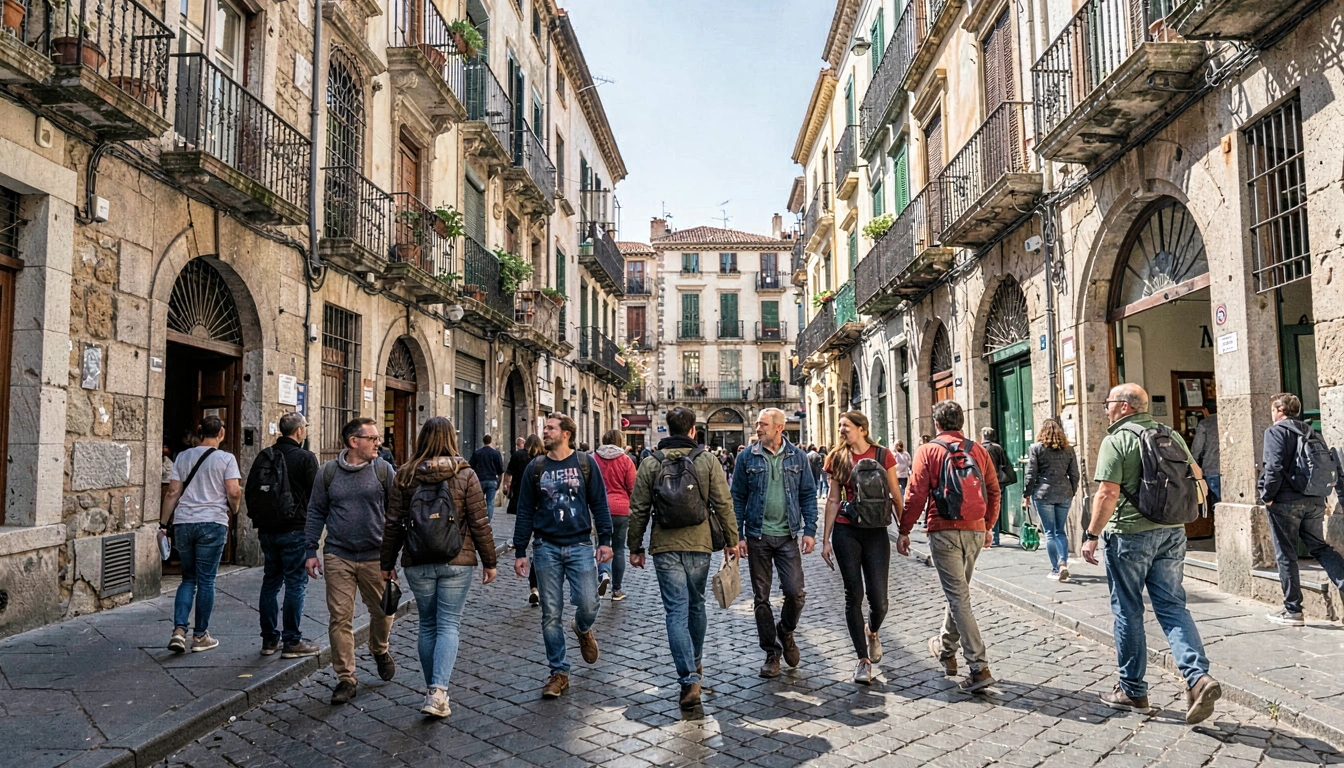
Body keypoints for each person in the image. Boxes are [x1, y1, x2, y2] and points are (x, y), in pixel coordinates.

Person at [1081, 383, 1221, 723]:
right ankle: (1197, 678)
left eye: (1109, 403)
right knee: (1173, 607)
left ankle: (1132, 689)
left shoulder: (1117, 440)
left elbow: (1107, 493)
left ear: (1125, 407)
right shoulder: (1168, 433)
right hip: (1172, 533)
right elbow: (1198, 477)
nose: (1105, 408)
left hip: (1129, 536)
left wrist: (1091, 535)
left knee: (1127, 609)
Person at [380, 417, 496, 718]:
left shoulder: (404, 473)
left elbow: (392, 523)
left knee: (428, 624)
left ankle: (433, 689)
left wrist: (386, 564)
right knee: (448, 625)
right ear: (451, 438)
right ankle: (438, 692)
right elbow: (479, 521)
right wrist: (490, 561)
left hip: (417, 560)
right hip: (457, 559)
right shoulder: (465, 472)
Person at [627, 407, 739, 709]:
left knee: (675, 611)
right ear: (693, 431)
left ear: (668, 428)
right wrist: (732, 541)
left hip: (665, 546)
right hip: (700, 545)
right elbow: (724, 503)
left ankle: (688, 679)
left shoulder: (650, 462)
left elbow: (638, 509)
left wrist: (634, 546)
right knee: (696, 604)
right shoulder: (706, 460)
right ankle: (696, 664)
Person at [898, 400, 1000, 693]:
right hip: (975, 530)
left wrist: (904, 530)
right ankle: (945, 649)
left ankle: (979, 667)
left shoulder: (928, 450)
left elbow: (915, 493)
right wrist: (988, 525)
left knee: (958, 597)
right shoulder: (977, 450)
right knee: (959, 593)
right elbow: (993, 489)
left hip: (943, 530)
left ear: (937, 423)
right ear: (962, 422)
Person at [513, 413, 614, 698]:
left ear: (566, 434)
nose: (544, 432)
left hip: (581, 545)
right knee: (550, 614)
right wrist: (520, 549)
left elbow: (599, 503)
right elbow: (524, 511)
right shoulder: (536, 467)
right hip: (546, 547)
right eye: (544, 428)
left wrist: (605, 540)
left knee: (589, 602)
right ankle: (558, 671)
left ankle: (582, 628)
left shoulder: (585, 463)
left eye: (550, 428)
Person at [305, 417, 398, 705]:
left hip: (376, 557)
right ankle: (346, 678)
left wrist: (394, 554)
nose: (378, 443)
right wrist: (310, 550)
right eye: (372, 438)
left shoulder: (383, 470)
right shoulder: (328, 472)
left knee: (383, 612)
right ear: (354, 442)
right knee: (340, 618)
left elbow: (396, 513)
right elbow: (316, 511)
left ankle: (379, 648)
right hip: (338, 555)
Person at [731, 408, 818, 678]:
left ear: (779, 427)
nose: (758, 428)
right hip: (758, 536)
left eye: (763, 424)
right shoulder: (747, 457)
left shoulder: (798, 456)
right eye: (757, 424)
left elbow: (808, 495)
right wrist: (738, 536)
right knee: (761, 598)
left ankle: (786, 630)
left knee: (795, 592)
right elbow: (737, 498)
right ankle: (771, 653)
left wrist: (810, 530)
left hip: (788, 535)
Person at [821, 411, 901, 684]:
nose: (841, 429)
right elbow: (833, 500)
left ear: (862, 429)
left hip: (877, 532)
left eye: (846, 425)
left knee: (879, 600)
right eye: (840, 425)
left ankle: (873, 631)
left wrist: (904, 531)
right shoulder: (836, 458)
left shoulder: (883, 455)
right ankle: (862, 660)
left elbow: (894, 494)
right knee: (853, 594)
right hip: (847, 530)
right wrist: (825, 540)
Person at [1258, 393, 1344, 626]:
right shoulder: (1313, 432)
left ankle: (1293, 610)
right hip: (1315, 499)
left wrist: (1267, 497)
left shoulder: (1275, 431)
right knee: (1320, 547)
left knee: (1286, 554)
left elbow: (1273, 467)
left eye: (1272, 409)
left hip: (1285, 501)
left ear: (1279, 409)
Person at [160, 415, 242, 654]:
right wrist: (233, 509)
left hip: (185, 522)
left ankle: (178, 630)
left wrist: (163, 523)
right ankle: (200, 635)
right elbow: (234, 491)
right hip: (212, 523)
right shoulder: (226, 459)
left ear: (199, 431)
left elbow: (173, 491)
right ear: (221, 434)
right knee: (206, 580)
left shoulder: (183, 456)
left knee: (188, 579)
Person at [249, 411, 320, 658]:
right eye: (306, 427)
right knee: (295, 583)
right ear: (299, 431)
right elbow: (316, 498)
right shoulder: (305, 457)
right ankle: (292, 641)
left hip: (268, 531)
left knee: (270, 582)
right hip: (295, 529)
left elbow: (250, 491)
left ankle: (269, 640)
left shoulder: (264, 456)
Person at [1022, 418, 1080, 582]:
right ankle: (1063, 563)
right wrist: (1072, 491)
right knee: (1060, 530)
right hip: (1064, 493)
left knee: (1049, 532)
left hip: (1043, 494)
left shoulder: (1036, 448)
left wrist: (1026, 494)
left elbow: (1031, 474)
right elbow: (1074, 474)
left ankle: (1055, 569)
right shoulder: (1068, 449)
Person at [594, 429, 637, 600]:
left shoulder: (594, 459)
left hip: (600, 509)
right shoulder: (626, 461)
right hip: (621, 510)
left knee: (602, 544)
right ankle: (617, 590)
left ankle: (604, 573)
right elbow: (633, 488)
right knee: (619, 549)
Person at [503, 434, 545, 604]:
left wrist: (506, 487)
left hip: (522, 501)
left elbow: (509, 475)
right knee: (539, 544)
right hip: (541, 505)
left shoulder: (518, 455)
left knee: (523, 527)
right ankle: (536, 586)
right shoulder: (544, 458)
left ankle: (533, 588)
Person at [981, 427, 1017, 546]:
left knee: (982, 509)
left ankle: (983, 536)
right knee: (994, 508)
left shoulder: (978, 448)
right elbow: (1005, 464)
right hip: (996, 482)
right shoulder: (997, 448)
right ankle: (994, 538)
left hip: (981, 484)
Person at [469, 434, 505, 521]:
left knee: (479, 501)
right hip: (492, 480)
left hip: (480, 480)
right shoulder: (496, 453)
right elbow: (500, 470)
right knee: (490, 502)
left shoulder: (477, 453)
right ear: (491, 441)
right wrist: (499, 483)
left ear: (483, 441)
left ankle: (479, 519)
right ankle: (488, 521)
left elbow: (470, 467)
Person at [1190, 401, 1219, 504]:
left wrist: (1193, 464)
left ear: (1205, 410)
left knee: (1215, 502)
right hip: (1229, 469)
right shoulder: (1227, 420)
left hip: (1211, 468)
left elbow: (1197, 448)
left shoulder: (1204, 424)